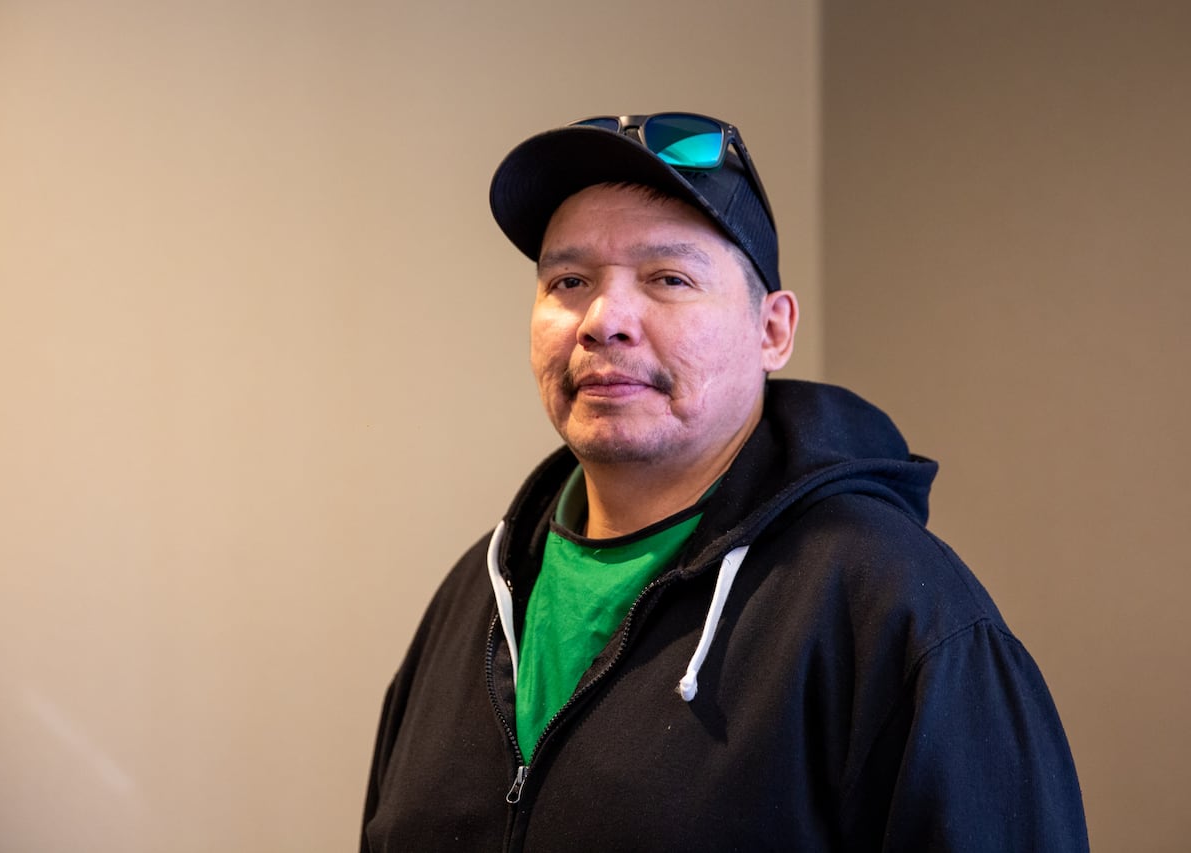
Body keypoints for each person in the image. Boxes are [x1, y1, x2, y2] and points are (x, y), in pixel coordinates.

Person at [361, 113, 1088, 851]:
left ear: (772, 330)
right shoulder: (478, 596)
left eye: (667, 278)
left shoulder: (900, 612)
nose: (604, 319)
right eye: (569, 280)